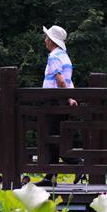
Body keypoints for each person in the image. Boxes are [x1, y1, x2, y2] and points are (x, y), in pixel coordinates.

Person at [37, 25, 82, 186]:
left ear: (52, 41)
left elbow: (61, 80)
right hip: (62, 100)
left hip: (54, 100)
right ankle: (51, 176)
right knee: (55, 136)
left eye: (47, 38)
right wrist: (71, 97)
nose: (45, 40)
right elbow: (69, 81)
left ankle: (77, 163)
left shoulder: (54, 57)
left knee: (52, 137)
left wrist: (69, 95)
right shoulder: (65, 57)